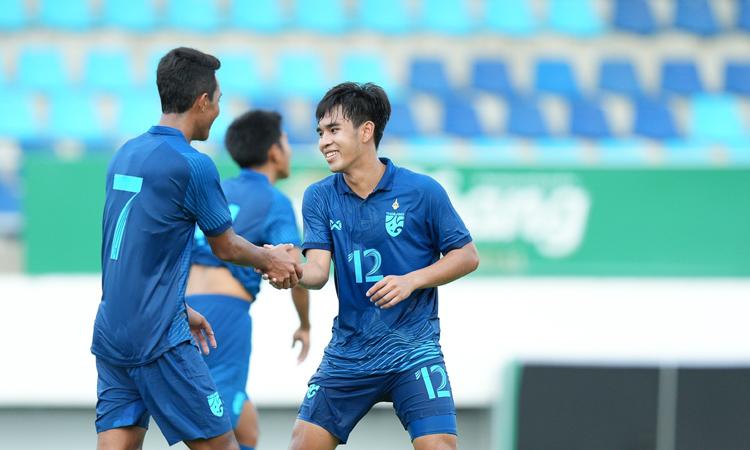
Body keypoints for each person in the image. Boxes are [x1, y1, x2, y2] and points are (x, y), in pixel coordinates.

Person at [91, 47, 301, 450]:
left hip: (113, 330)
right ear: (202, 101)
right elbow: (226, 247)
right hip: (158, 337)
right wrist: (270, 257)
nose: (219, 111)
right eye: (218, 101)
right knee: (223, 445)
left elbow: (131, 249)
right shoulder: (192, 164)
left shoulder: (125, 154)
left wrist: (179, 305)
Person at [279, 82, 480, 450]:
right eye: (320, 133)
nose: (324, 141)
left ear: (366, 131)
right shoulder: (319, 196)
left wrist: (412, 281)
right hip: (349, 352)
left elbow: (467, 255)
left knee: (440, 446)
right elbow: (318, 272)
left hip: (413, 349)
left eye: (334, 130)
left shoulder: (422, 191)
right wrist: (289, 269)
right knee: (301, 445)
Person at [186, 110, 312, 450]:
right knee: (216, 427)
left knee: (246, 428)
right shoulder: (276, 201)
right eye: (286, 141)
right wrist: (305, 323)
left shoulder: (217, 187)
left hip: (182, 309)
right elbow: (293, 268)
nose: (289, 149)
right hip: (223, 317)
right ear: (274, 151)